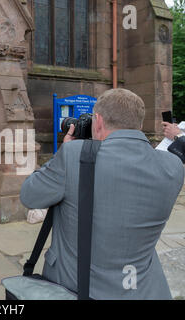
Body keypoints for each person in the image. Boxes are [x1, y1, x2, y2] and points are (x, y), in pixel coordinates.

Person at [20, 88, 184, 299]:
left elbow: (30, 196)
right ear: (140, 125)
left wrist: (64, 152)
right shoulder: (173, 166)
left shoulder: (74, 155)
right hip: (144, 289)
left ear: (97, 121)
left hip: (77, 287)